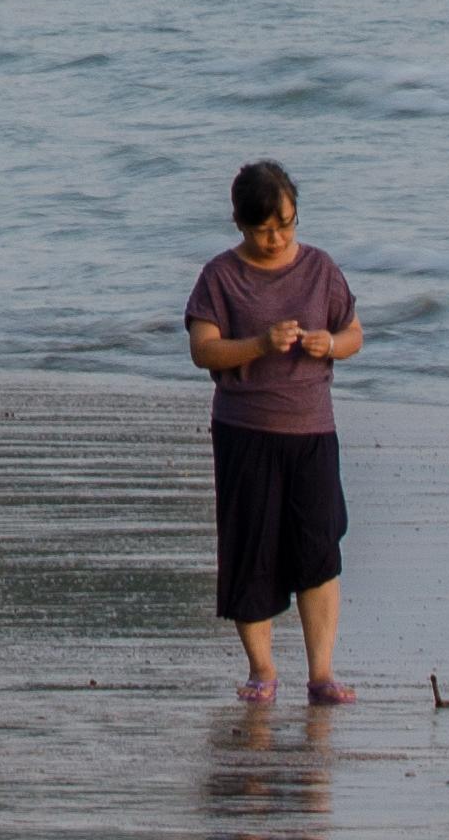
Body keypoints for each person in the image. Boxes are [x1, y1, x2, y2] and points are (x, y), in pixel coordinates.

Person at [185, 157, 363, 705]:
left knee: (318, 550)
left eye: (286, 224)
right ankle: (262, 671)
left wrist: (328, 345)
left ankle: (322, 673)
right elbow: (203, 350)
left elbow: (353, 332)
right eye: (264, 228)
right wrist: (260, 344)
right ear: (240, 223)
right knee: (250, 550)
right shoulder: (220, 276)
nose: (277, 237)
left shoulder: (320, 269)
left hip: (312, 429)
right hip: (246, 430)